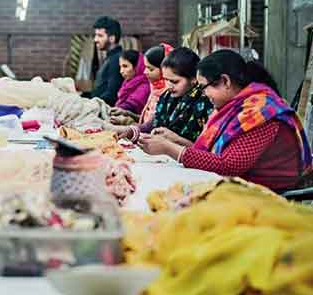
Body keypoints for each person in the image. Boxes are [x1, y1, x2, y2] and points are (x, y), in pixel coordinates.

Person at [138, 50, 312, 191]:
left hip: (271, 191)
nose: (203, 94)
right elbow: (216, 155)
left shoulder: (261, 111)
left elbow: (229, 165)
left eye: (204, 87)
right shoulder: (234, 108)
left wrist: (170, 148)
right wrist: (174, 143)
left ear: (225, 81)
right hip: (244, 184)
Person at [116, 47, 213, 143]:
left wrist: (174, 141)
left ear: (193, 79)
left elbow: (203, 149)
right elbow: (153, 125)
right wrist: (132, 131)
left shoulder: (204, 103)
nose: (169, 86)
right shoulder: (167, 96)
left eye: (174, 81)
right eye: (166, 80)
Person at [83, 16, 124, 106]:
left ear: (112, 38)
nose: (95, 40)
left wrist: (88, 104)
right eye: (95, 35)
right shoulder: (110, 57)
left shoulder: (117, 60)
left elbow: (112, 94)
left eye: (100, 36)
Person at [111, 50, 150, 116]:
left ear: (136, 67)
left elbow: (131, 105)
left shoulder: (145, 86)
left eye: (125, 66)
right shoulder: (127, 84)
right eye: (120, 67)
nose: (121, 71)